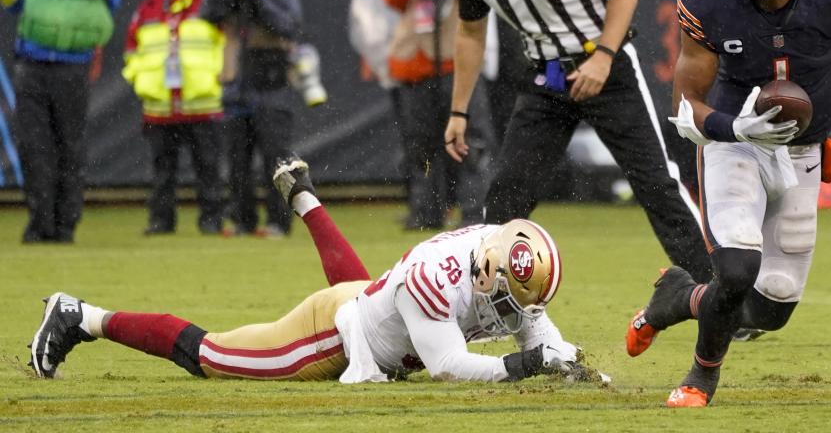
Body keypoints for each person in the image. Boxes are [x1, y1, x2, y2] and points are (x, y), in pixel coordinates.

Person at [624, 0, 831, 407]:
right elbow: (685, 108)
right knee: (738, 270)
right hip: (733, 146)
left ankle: (678, 298)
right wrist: (735, 128)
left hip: (802, 152)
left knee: (775, 305)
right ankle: (701, 377)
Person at [28, 156, 601, 385]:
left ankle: (304, 198)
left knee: (370, 294)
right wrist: (531, 363)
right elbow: (449, 367)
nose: (512, 311)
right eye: (506, 298)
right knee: (213, 357)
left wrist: (565, 359)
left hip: (372, 307)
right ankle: (83, 316)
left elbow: (533, 322)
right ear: (485, 270)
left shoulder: (503, 252)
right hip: (327, 333)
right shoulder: (438, 275)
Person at [444, 0, 712, 285]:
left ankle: (718, 295)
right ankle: (481, 300)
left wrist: (603, 58)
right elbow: (470, 32)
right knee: (507, 193)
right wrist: (458, 111)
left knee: (655, 181)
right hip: (546, 77)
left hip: (604, 68)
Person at [0, 0, 121, 244]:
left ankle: (65, 223)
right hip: (33, 64)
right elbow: (13, 3)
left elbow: (110, 3)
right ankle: (40, 222)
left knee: (68, 144)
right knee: (35, 146)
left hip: (71, 64)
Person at [382, 0, 495, 230]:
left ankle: (474, 214)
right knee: (423, 147)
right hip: (419, 73)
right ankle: (426, 213)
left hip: (458, 70)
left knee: (471, 143)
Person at [122, 0, 226, 236]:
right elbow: (132, 48)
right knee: (162, 171)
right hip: (159, 105)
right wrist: (140, 79)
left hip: (201, 101)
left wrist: (216, 76)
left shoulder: (208, 4)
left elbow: (224, 43)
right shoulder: (150, 7)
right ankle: (161, 221)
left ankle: (211, 220)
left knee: (208, 167)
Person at [201, 0, 303, 238]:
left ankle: (278, 223)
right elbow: (207, 15)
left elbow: (290, 26)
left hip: (273, 91)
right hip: (237, 90)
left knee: (277, 163)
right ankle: (243, 220)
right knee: (237, 163)